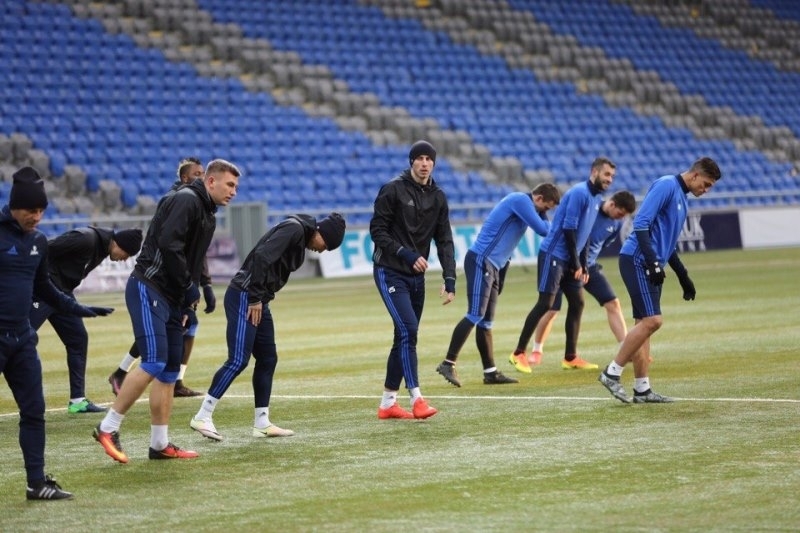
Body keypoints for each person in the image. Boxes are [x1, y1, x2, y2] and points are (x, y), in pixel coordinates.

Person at [92, 158, 240, 463]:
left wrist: (191, 297)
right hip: (149, 287)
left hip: (173, 297)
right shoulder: (186, 200)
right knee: (154, 362)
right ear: (211, 181)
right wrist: (189, 287)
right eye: (229, 184)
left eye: (236, 186)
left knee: (170, 371)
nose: (233, 191)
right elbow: (170, 246)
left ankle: (159, 444)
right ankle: (107, 427)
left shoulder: (208, 214)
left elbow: (193, 259)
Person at [1, 167, 112, 500]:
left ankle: (36, 484)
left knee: (34, 412)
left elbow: (46, 289)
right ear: (14, 206)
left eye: (41, 210)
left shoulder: (38, 242)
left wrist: (80, 309)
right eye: (30, 210)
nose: (36, 217)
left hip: (22, 340)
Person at [190, 213, 346, 441]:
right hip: (245, 296)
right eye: (327, 245)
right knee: (238, 360)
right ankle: (203, 416)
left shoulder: (299, 235)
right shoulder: (294, 229)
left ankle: (262, 423)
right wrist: (254, 298)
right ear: (321, 233)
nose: (322, 251)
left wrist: (259, 299)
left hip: (258, 300)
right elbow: (262, 257)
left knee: (268, 358)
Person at [598, 157, 721, 403]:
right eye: (706, 184)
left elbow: (668, 243)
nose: (706, 190)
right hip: (637, 259)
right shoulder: (666, 185)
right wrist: (653, 262)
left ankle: (642, 389)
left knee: (644, 326)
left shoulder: (682, 197)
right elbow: (641, 224)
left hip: (651, 264)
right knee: (653, 321)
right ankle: (611, 373)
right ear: (695, 175)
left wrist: (683, 275)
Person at [434, 183, 561, 388]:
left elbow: (509, 244)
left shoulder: (525, 205)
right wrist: (545, 217)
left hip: (493, 266)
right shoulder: (521, 200)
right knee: (475, 314)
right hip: (481, 260)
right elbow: (543, 230)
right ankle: (448, 363)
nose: (545, 212)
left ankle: (490, 372)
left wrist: (501, 275)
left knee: (486, 322)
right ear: (538, 198)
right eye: (546, 208)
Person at [108, 157, 215, 397]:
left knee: (180, 331)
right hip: (160, 282)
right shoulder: (178, 200)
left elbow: (195, 252)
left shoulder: (203, 209)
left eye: (203, 173)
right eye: (197, 174)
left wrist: (204, 285)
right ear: (185, 178)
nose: (201, 177)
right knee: (157, 350)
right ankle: (122, 381)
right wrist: (190, 286)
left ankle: (173, 381)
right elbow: (169, 244)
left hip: (178, 285)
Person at [371, 140, 456, 420]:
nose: (424, 163)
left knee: (404, 335)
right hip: (390, 270)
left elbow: (444, 239)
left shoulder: (438, 196)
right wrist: (406, 254)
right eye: (419, 158)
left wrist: (450, 277)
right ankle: (417, 398)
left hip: (417, 277)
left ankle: (388, 404)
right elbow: (377, 231)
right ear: (411, 162)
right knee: (409, 330)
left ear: (434, 163)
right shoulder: (392, 189)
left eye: (429, 159)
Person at [509, 156, 616, 374]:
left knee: (578, 303)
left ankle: (570, 357)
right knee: (545, 304)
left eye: (612, 176)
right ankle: (518, 353)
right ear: (594, 172)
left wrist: (583, 264)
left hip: (570, 260)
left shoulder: (596, 198)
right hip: (554, 255)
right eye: (606, 174)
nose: (609, 179)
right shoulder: (579, 193)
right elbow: (569, 228)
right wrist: (576, 263)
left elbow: (585, 234)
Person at [30, 226, 143, 413]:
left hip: (62, 295)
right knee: (16, 340)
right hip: (43, 292)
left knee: (78, 339)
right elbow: (44, 248)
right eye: (127, 254)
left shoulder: (103, 248)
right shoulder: (85, 239)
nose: (125, 259)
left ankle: (77, 401)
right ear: (119, 244)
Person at [528, 191, 636, 367]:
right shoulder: (590, 211)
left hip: (588, 266)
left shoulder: (616, 224)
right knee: (551, 309)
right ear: (612, 204)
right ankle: (536, 351)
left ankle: (626, 350)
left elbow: (602, 244)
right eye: (620, 213)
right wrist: (576, 263)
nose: (621, 218)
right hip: (565, 262)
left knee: (612, 303)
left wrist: (586, 265)